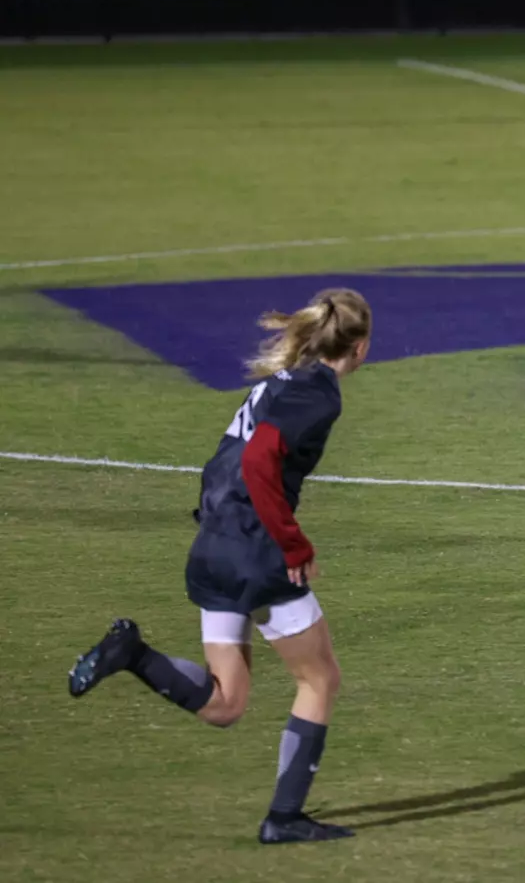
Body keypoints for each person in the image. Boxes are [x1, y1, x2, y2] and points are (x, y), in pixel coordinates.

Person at [67, 287, 373, 845]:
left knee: (225, 704)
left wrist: (217, 522)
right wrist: (293, 546)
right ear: (361, 348)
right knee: (319, 677)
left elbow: (225, 460)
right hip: (256, 552)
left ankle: (132, 652)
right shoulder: (316, 394)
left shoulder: (274, 385)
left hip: (215, 543)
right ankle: (284, 818)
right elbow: (258, 463)